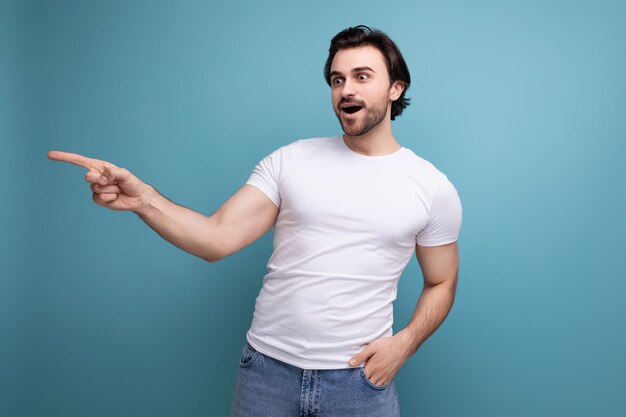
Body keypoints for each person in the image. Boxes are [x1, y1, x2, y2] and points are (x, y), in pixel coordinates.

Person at [48, 25, 462, 417]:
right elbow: (216, 238)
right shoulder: (291, 160)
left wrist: (404, 345)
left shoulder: (430, 187)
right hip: (267, 375)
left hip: (360, 384)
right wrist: (143, 200)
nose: (346, 89)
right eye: (337, 80)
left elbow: (441, 282)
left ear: (395, 87)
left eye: (361, 76)